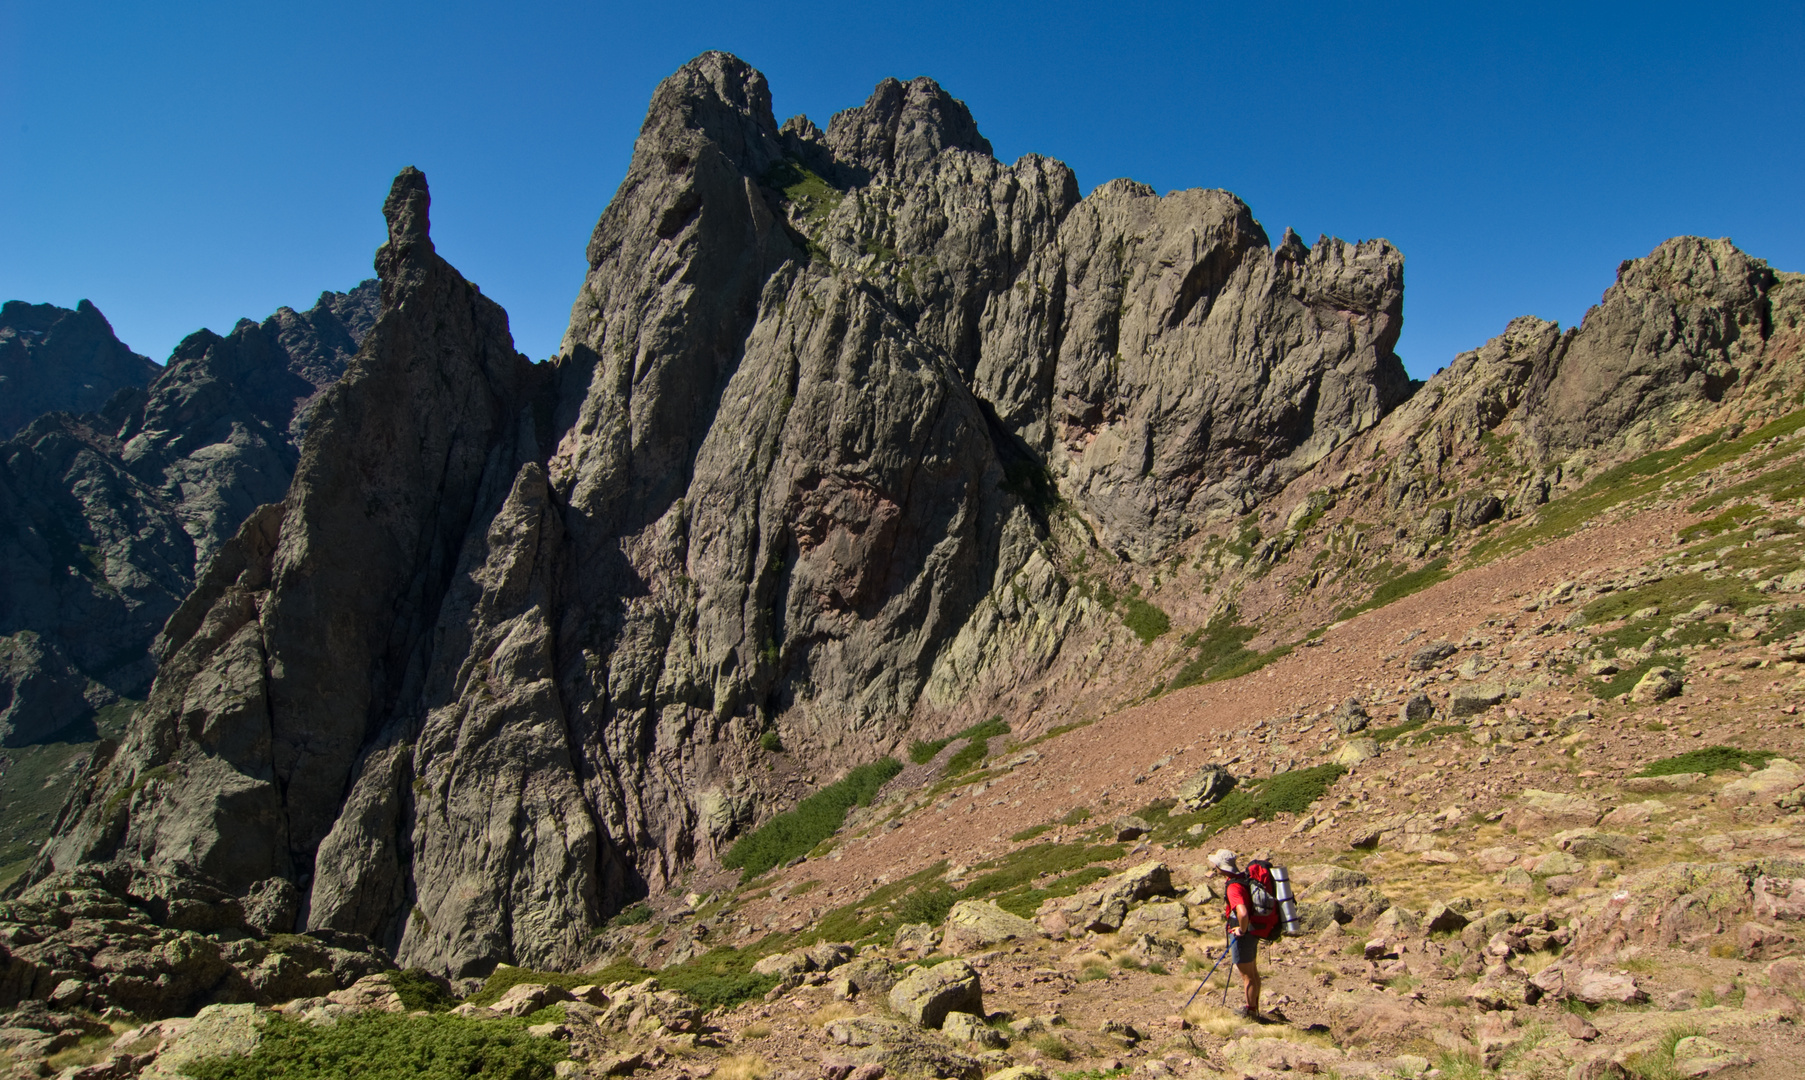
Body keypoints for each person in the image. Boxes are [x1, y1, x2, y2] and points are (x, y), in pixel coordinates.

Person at [1209, 848, 1262, 1019]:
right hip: (1252, 933)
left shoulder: (1233, 887)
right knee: (1253, 973)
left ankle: (1251, 1012)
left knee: (1247, 976)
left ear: (1221, 866)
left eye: (1216, 864)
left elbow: (1243, 912)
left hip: (1243, 935)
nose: (1214, 866)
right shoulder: (1242, 879)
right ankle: (1253, 1008)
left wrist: (1241, 929)